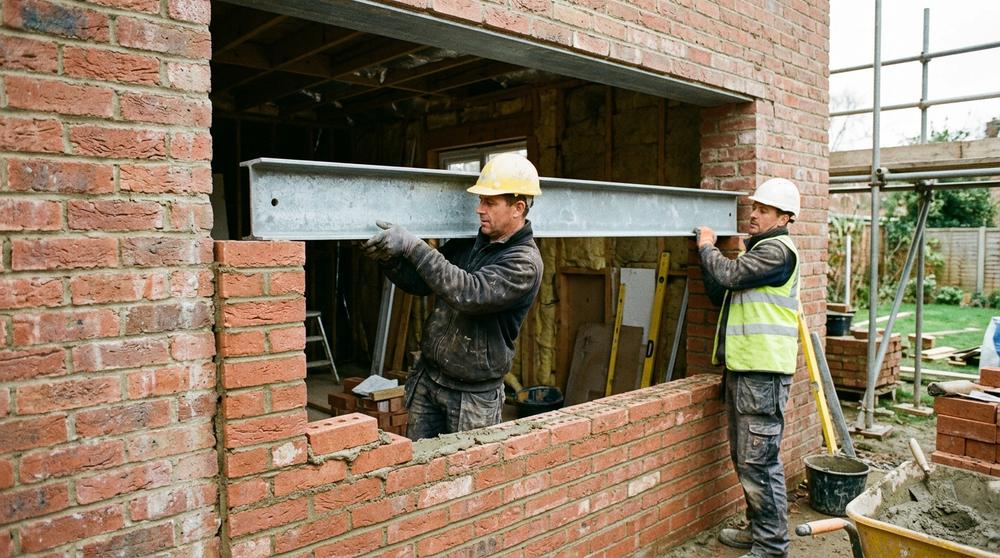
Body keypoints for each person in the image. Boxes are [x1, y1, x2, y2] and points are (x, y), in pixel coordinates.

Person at [361, 153, 543, 440]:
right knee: (420, 467)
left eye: (490, 203)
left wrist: (412, 245)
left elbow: (467, 293)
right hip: (429, 380)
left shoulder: (523, 263)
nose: (479, 209)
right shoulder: (471, 244)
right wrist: (391, 260)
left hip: (472, 398)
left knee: (465, 476)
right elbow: (423, 283)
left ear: (518, 208)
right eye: (480, 200)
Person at [693, 178, 801, 558]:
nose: (753, 214)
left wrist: (707, 247)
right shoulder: (758, 254)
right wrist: (712, 259)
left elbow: (729, 275)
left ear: (785, 218)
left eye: (763, 210)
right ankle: (759, 532)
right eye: (753, 207)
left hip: (764, 374)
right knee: (745, 458)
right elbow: (720, 289)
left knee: (759, 460)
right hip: (746, 369)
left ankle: (772, 548)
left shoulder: (778, 252)